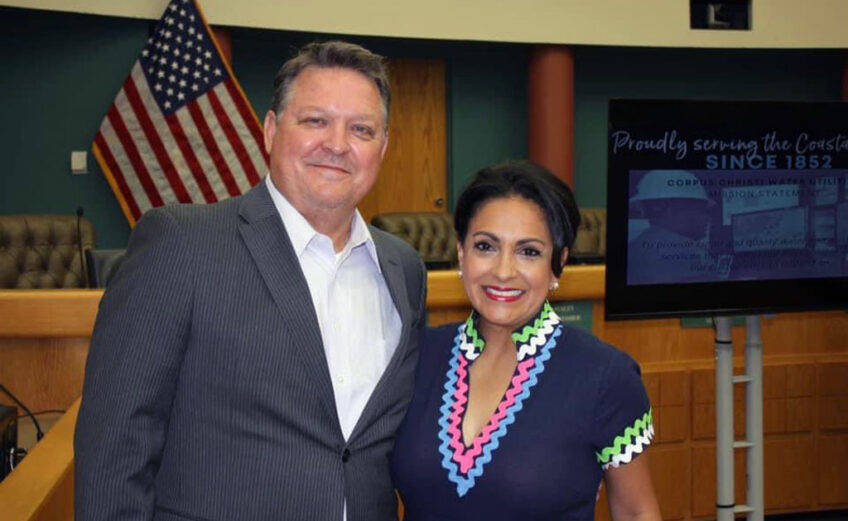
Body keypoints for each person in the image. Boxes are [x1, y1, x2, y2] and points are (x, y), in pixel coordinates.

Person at [75, 41, 427, 521]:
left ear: (382, 149)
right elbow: (115, 445)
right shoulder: (181, 244)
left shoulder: (404, 269)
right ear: (270, 131)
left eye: (361, 129)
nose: (338, 144)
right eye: (315, 121)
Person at [391, 160, 661, 521]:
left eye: (528, 251)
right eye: (485, 246)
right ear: (461, 252)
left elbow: (637, 513)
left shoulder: (606, 377)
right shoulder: (417, 355)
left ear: (558, 263)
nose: (503, 271)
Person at [627, 169, 720, 284]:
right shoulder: (690, 251)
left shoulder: (632, 249)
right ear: (668, 209)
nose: (706, 218)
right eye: (700, 210)